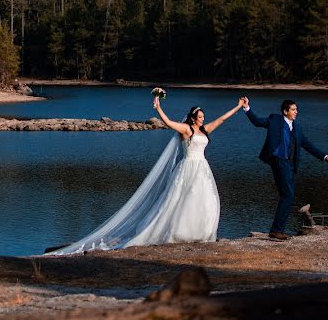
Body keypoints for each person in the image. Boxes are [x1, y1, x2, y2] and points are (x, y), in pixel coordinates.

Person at [47, 93, 247, 255]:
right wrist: (158, 108)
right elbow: (168, 122)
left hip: (202, 168)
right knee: (182, 200)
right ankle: (180, 233)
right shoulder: (187, 130)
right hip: (188, 168)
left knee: (205, 200)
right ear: (193, 118)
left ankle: (201, 232)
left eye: (203, 117)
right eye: (200, 117)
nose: (203, 119)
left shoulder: (204, 130)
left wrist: (238, 106)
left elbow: (222, 119)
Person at [242, 96, 328, 241]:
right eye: (293, 109)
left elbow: (307, 145)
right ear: (285, 111)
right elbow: (257, 122)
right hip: (279, 161)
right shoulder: (275, 120)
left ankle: (276, 229)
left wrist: (324, 156)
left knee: (287, 196)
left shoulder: (297, 128)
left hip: (290, 165)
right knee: (289, 195)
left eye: (296, 109)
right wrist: (247, 107)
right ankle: (276, 230)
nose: (296, 112)